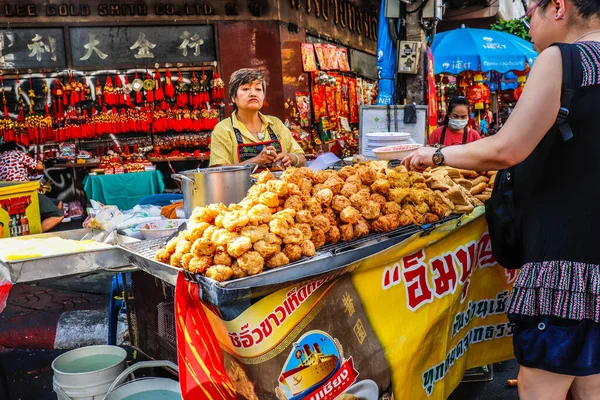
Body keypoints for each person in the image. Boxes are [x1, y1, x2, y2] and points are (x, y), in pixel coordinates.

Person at [403, 1, 600, 398]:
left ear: (558, 8)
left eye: (530, 14)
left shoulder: (564, 58)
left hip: (564, 263)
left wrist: (434, 154)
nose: (527, 24)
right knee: (590, 383)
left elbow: (507, 149)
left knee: (539, 386)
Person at [209, 68, 306, 169]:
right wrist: (256, 161)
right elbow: (217, 170)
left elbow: (302, 158)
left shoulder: (275, 124)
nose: (253, 93)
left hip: (279, 184)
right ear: (233, 97)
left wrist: (292, 158)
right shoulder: (224, 129)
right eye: (245, 89)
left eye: (258, 89)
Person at [0, 141, 64, 232]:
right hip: (25, 192)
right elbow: (39, 167)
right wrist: (40, 163)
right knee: (59, 214)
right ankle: (37, 233)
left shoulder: (1, 158)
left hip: (8, 195)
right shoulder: (18, 154)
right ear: (16, 148)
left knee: (58, 203)